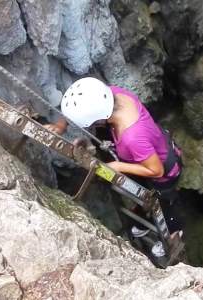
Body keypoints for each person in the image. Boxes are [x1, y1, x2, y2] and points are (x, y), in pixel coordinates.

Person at [44, 77, 183, 258]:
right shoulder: (112, 95)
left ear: (100, 118)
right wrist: (60, 125)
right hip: (147, 153)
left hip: (164, 172)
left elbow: (157, 171)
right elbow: (84, 105)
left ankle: (175, 231)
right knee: (144, 193)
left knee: (165, 203)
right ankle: (143, 221)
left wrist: (118, 165)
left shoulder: (132, 137)